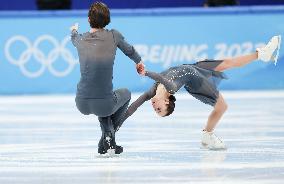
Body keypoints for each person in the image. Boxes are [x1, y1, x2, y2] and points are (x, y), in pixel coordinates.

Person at [117, 35, 281, 150]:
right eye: (159, 110)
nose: (154, 107)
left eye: (157, 110)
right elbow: (162, 78)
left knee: (229, 63)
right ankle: (207, 134)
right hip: (199, 82)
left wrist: (117, 124)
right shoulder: (171, 88)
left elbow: (133, 107)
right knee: (222, 107)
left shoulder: (151, 91)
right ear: (167, 102)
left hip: (194, 67)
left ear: (166, 102)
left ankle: (262, 54)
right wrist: (146, 73)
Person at [70, 2, 144, 155]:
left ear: (89, 20)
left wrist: (73, 30)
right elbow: (130, 51)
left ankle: (107, 139)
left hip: (81, 102)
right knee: (126, 93)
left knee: (103, 103)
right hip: (104, 104)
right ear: (107, 19)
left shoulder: (81, 39)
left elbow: (73, 37)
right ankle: (109, 135)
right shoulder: (113, 35)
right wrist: (139, 62)